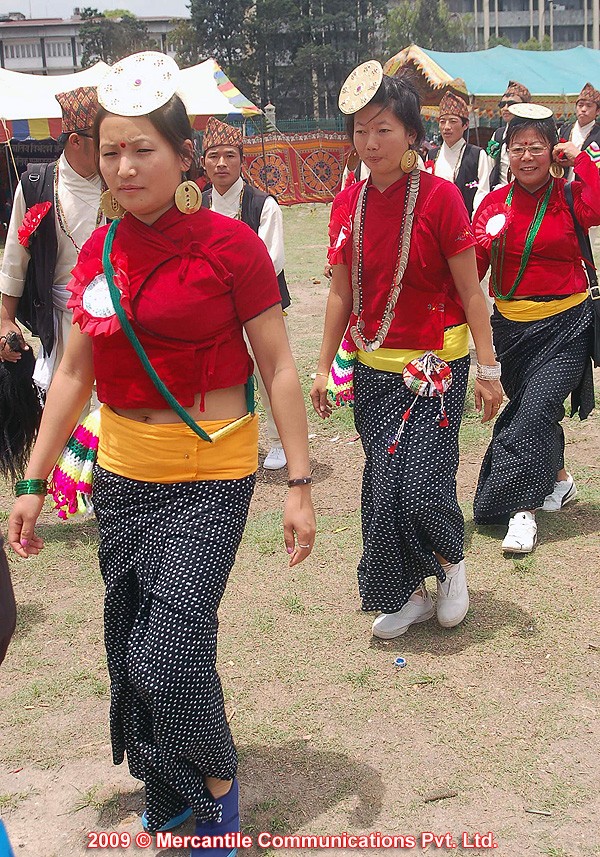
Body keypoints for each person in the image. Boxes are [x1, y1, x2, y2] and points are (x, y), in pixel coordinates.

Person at [7, 51, 315, 849]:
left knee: (170, 651)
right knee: (132, 640)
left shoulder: (233, 247)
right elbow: (74, 373)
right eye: (112, 150)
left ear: (184, 155)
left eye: (143, 148)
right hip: (124, 475)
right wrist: (33, 482)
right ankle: (170, 790)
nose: (125, 165)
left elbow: (278, 366)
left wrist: (299, 481)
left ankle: (218, 789)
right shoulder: (100, 253)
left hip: (212, 475)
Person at [310, 61, 502, 641]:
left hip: (434, 367)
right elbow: (340, 292)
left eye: (384, 129)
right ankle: (409, 592)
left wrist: (488, 369)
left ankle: (451, 565)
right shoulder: (348, 203)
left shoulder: (441, 199)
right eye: (360, 130)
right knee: (384, 487)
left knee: (421, 482)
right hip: (373, 369)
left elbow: (470, 290)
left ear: (413, 134)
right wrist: (322, 367)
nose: (370, 142)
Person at [472, 104, 599, 553]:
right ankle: (559, 480)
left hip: (567, 325)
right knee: (535, 409)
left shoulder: (569, 195)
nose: (527, 157)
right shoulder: (493, 203)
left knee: (534, 409)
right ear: (506, 153)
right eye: (518, 147)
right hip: (511, 330)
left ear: (552, 150)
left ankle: (520, 511)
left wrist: (580, 158)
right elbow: (472, 269)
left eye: (537, 147)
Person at [201, 116, 291, 471]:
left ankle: (279, 441)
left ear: (242, 159)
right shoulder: (195, 204)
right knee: (218, 376)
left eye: (229, 155)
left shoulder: (262, 204)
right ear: (203, 162)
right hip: (211, 309)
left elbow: (272, 260)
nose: (221, 163)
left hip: (259, 307)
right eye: (214, 156)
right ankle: (226, 436)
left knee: (269, 374)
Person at [0, 86, 102, 391]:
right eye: (103, 139)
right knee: (65, 406)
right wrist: (5, 319)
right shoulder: (36, 184)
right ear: (76, 141)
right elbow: (15, 257)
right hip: (60, 320)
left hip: (115, 320)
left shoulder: (120, 181)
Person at [429, 91, 490, 218]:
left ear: (465, 125)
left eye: (453, 121)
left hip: (466, 221)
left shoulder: (477, 155)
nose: (446, 127)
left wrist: (474, 222)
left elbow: (482, 192)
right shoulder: (432, 155)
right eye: (442, 121)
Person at [488, 81, 531, 190]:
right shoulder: (498, 135)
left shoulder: (536, 134)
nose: (505, 108)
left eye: (511, 104)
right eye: (502, 104)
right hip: (502, 192)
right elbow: (490, 165)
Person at [558, 82, 600, 182]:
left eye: (589, 106)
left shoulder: (598, 134)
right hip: (562, 184)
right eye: (580, 105)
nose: (583, 109)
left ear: (598, 111)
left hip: (587, 186)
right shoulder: (564, 130)